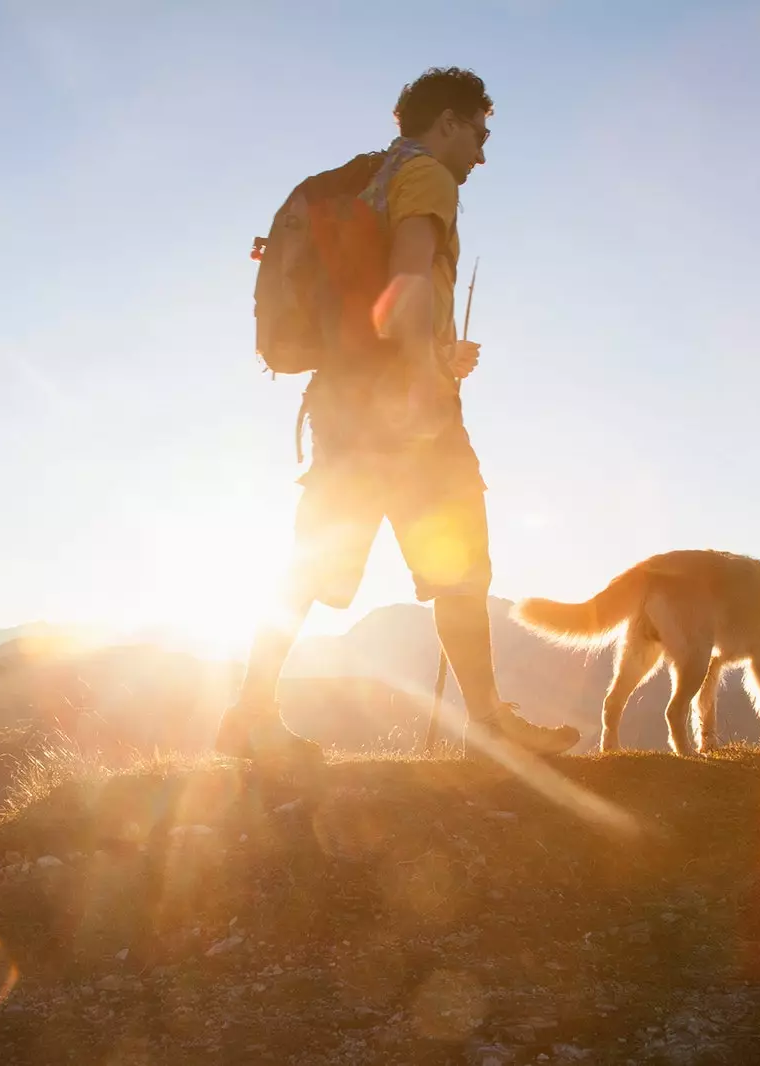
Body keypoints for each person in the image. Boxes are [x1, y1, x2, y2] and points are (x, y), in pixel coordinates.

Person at [217, 67, 581, 764]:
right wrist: (424, 381)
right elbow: (408, 279)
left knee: (311, 563)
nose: (482, 152)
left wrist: (437, 354)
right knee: (460, 567)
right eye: (478, 133)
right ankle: (488, 724)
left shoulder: (368, 180)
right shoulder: (425, 178)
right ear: (445, 122)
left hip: (342, 404)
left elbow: (379, 300)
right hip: (406, 414)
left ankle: (249, 713)